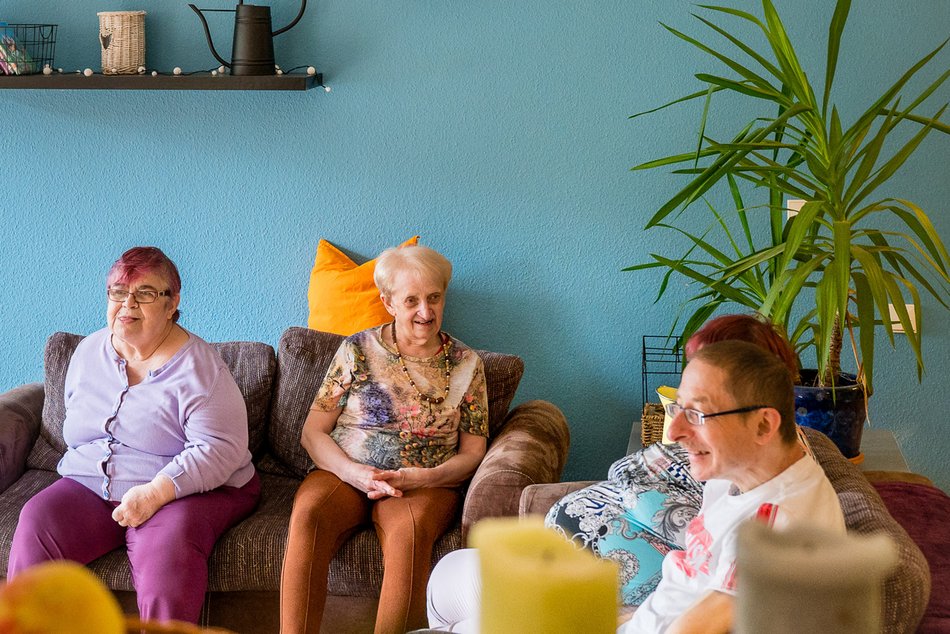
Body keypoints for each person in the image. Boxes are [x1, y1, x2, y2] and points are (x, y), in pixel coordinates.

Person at [426, 340, 845, 633]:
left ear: (763, 424)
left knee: (460, 612)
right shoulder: (741, 472)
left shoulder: (779, 528)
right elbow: (688, 586)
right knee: (449, 574)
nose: (674, 430)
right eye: (678, 407)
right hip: (632, 617)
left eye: (697, 414)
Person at [8, 246, 260, 624]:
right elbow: (77, 432)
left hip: (185, 488)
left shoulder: (200, 368)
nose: (128, 304)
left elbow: (220, 449)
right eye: (117, 292)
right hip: (93, 484)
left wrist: (155, 492)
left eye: (145, 293)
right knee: (36, 520)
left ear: (172, 302)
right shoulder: (87, 352)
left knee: (165, 552)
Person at [279, 244, 489, 634]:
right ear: (388, 302)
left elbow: (474, 451)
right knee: (308, 515)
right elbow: (313, 432)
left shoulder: (466, 363)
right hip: (344, 471)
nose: (425, 312)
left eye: (434, 298)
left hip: (424, 482)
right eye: (412, 300)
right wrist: (354, 472)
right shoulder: (357, 349)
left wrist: (424, 478)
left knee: (409, 534)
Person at [544, 314, 809, 605]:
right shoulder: (728, 478)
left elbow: (706, 611)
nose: (675, 429)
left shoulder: (770, 513)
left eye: (698, 410)